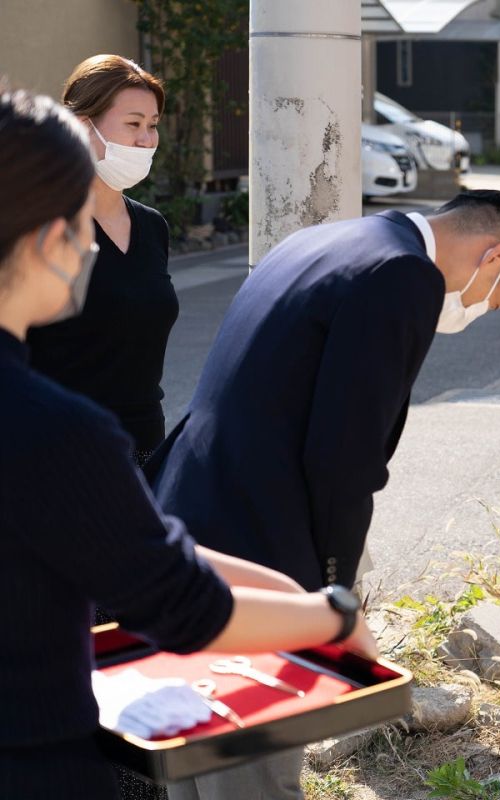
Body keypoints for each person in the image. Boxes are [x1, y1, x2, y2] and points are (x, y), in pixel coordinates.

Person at [0, 86, 377, 800]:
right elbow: (179, 602)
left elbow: (121, 541)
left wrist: (284, 590)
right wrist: (332, 614)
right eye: (81, 222)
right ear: (51, 237)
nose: (89, 245)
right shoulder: (53, 432)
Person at [150, 189, 500, 800]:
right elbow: (345, 453)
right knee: (253, 766)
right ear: (494, 257)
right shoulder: (403, 273)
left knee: (197, 756)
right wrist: (334, 590)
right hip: (264, 542)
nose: (477, 312)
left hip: (193, 507)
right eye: (497, 300)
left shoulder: (324, 239)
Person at [27, 55, 178, 468]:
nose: (147, 140)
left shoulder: (152, 227)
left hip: (147, 447)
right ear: (80, 124)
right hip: (61, 451)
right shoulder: (40, 224)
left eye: (153, 124)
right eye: (133, 124)